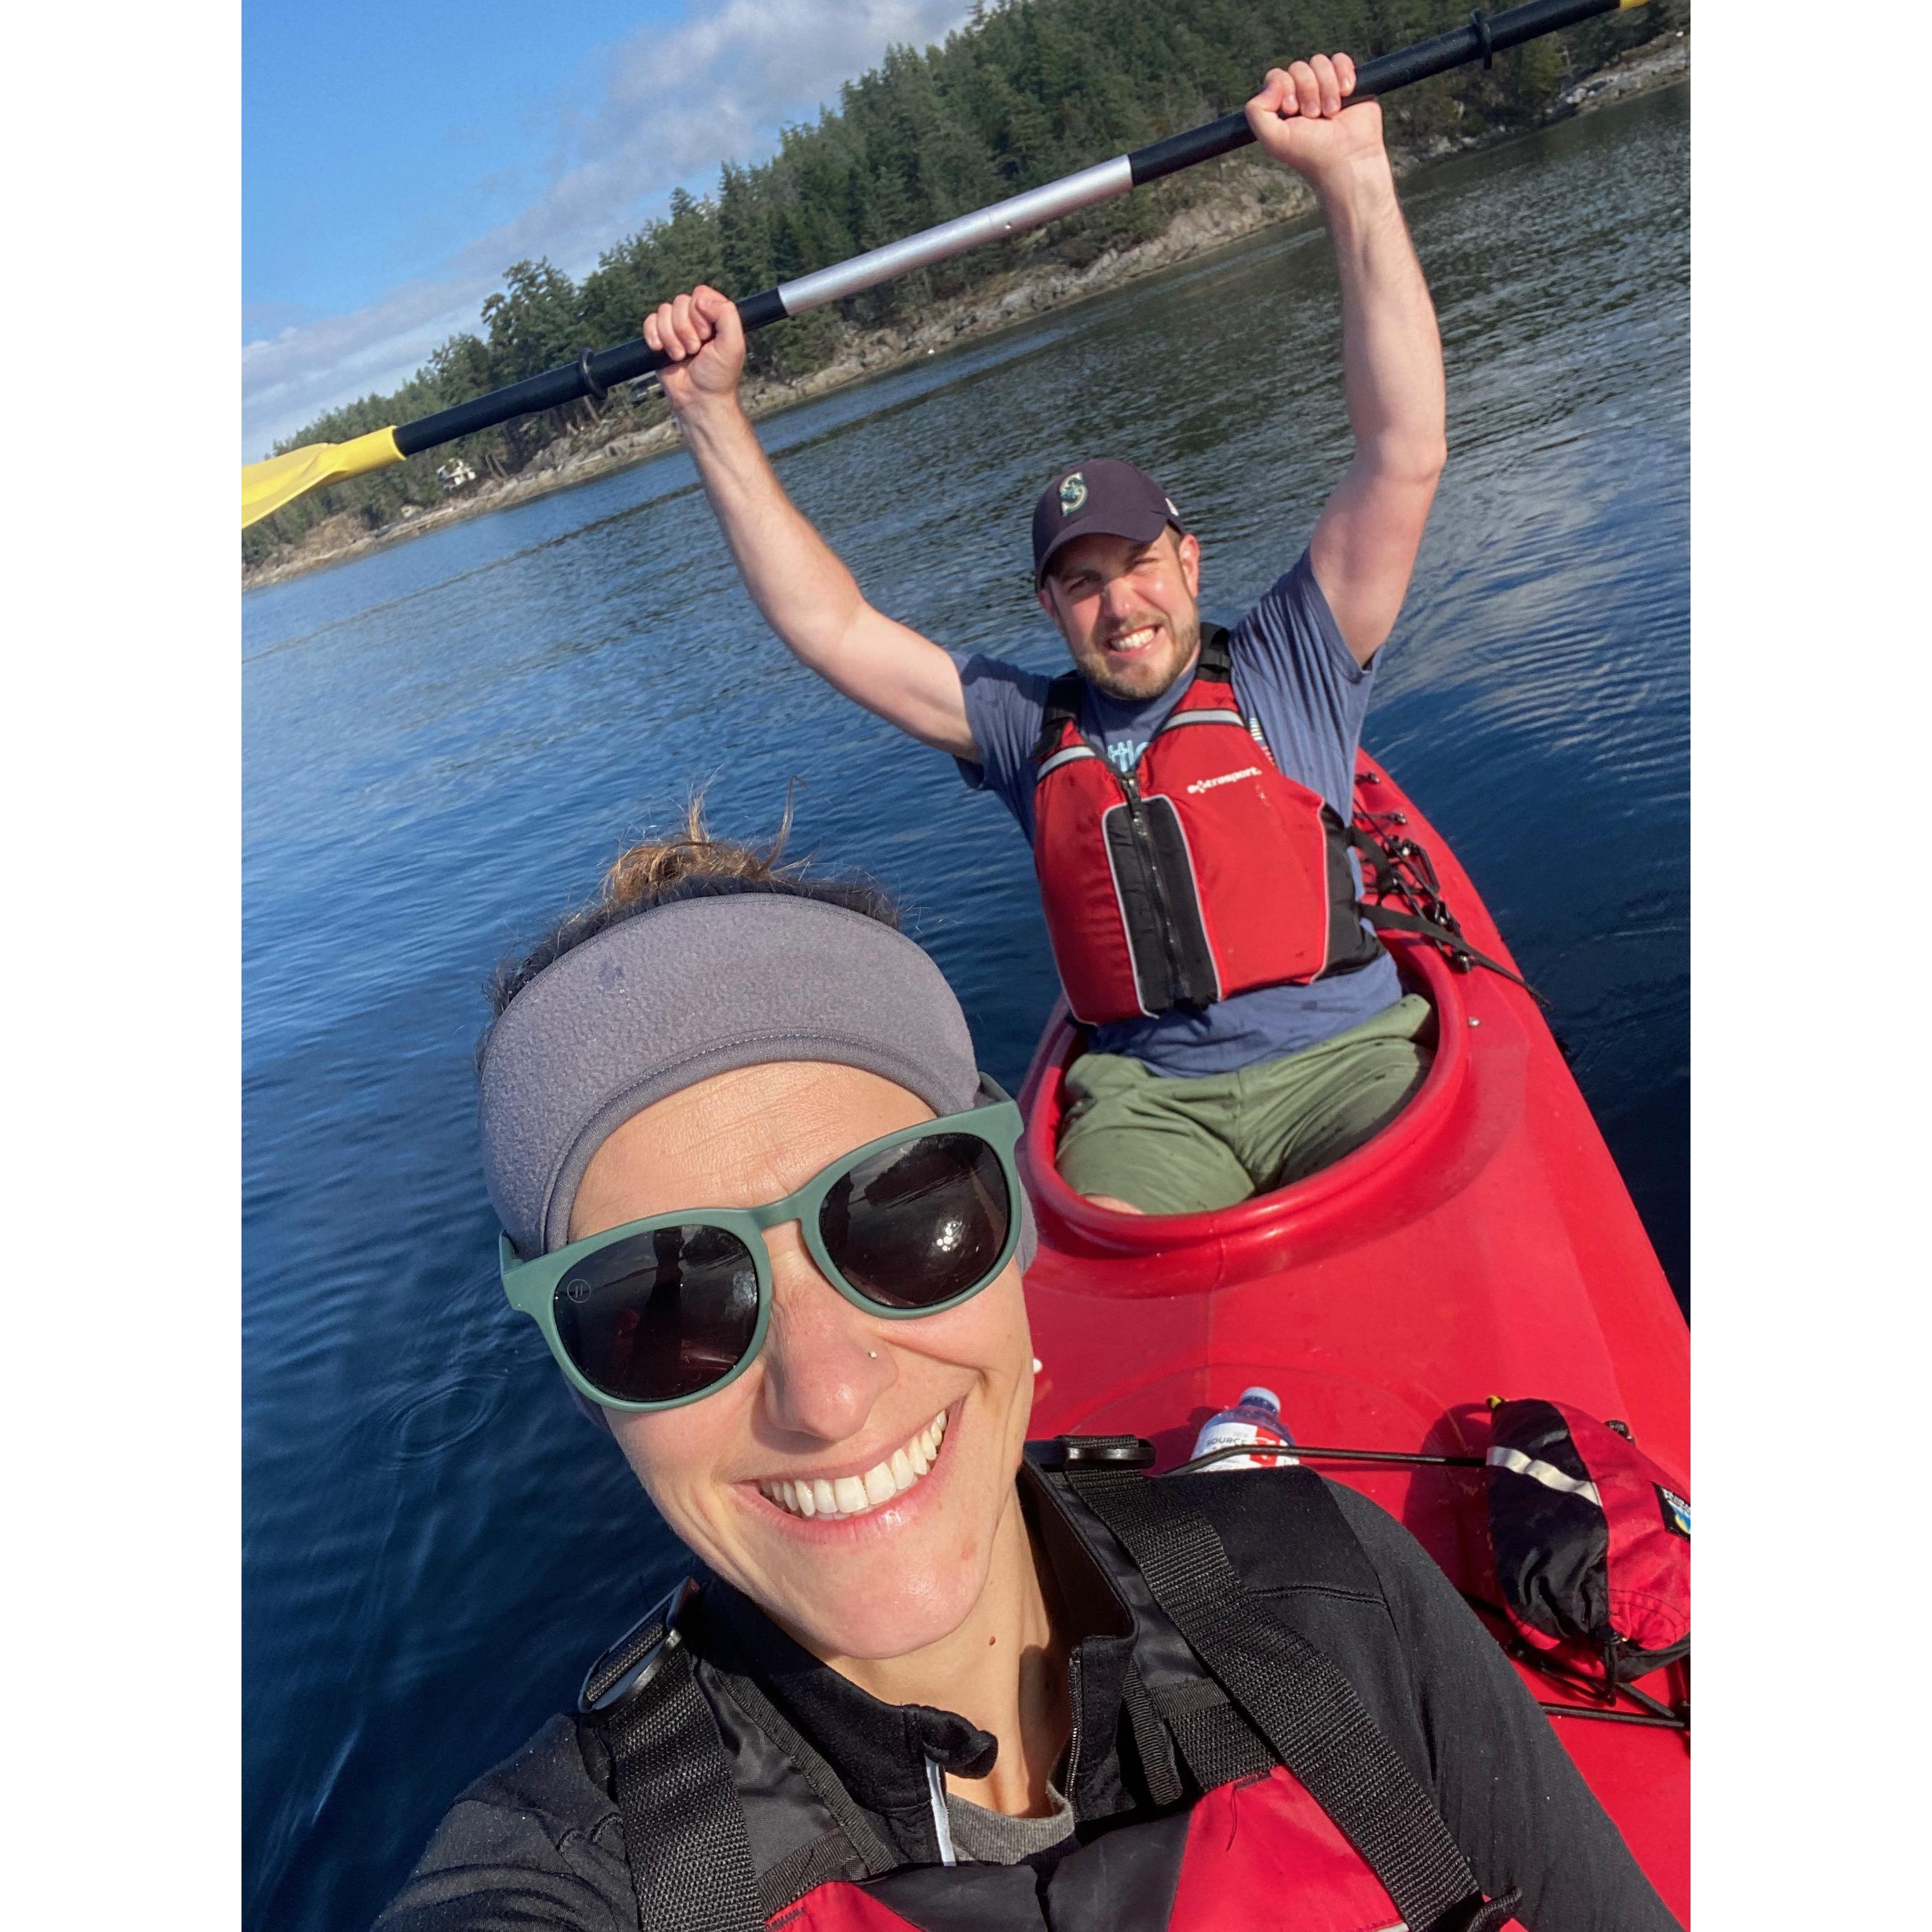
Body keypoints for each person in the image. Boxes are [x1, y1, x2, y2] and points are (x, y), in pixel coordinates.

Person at [375, 811, 1678, 1930]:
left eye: (900, 1216)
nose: (824, 1392)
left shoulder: (1324, 1587)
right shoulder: (573, 1872)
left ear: (1010, 1227)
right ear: (586, 1377)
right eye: (664, 1302)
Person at [634, 54, 1450, 1217]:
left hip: (1348, 1066)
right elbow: (830, 626)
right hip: (1151, 1109)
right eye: (1082, 586)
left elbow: (1401, 452)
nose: (1120, 606)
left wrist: (1353, 176)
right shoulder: (1025, 731)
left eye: (1137, 568)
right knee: (1115, 1274)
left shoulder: (1291, 665)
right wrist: (711, 412)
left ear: (1189, 561)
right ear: (1050, 610)